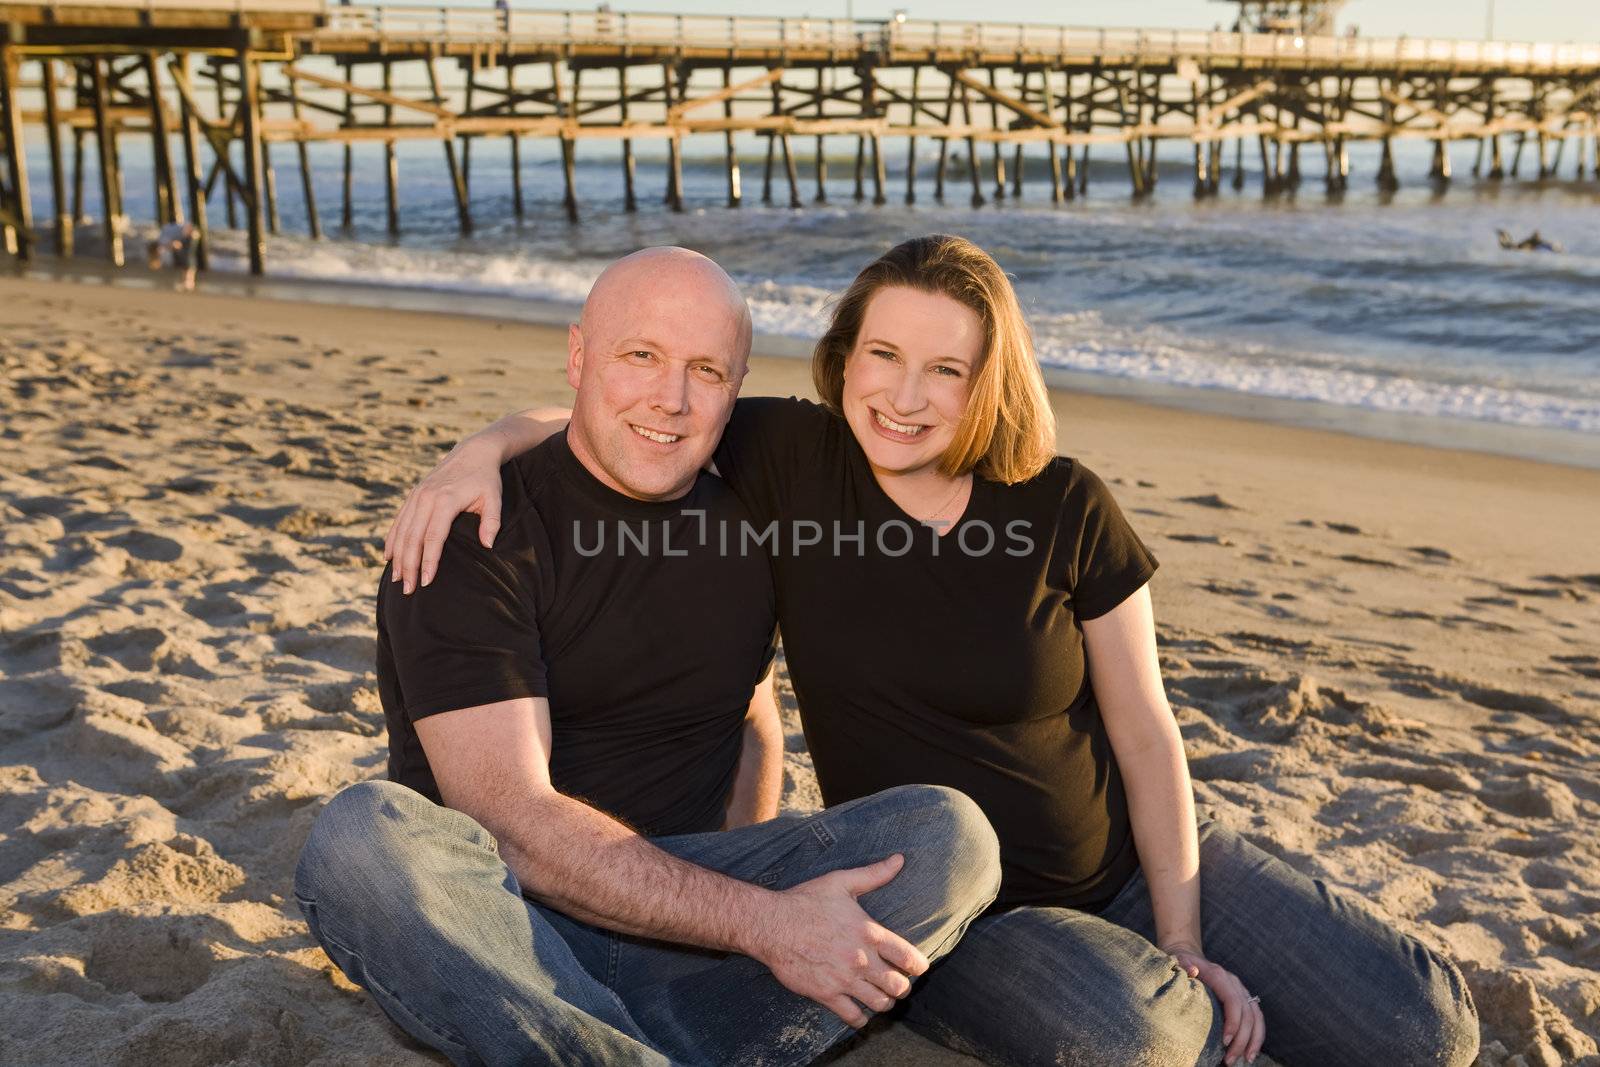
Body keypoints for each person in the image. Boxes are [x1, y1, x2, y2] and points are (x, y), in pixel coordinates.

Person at [388, 235, 1481, 1067]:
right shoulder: (794, 459)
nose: (905, 397)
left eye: (945, 370)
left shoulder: (1063, 503)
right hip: (966, 904)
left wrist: (1186, 929)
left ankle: (1185, 964)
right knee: (1144, 1042)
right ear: (843, 357)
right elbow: (633, 406)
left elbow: (1146, 732)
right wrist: (471, 451)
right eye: (883, 355)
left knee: (1427, 1029)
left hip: (1136, 863)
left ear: (986, 378)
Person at [294, 247, 1002, 1067]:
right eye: (641, 355)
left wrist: (748, 913)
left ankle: (604, 1043)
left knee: (946, 836)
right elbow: (510, 821)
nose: (671, 398)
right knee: (363, 840)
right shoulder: (475, 529)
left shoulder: (756, 502)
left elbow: (752, 718)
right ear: (577, 355)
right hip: (498, 919)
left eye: (706, 369)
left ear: (736, 390)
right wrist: (767, 925)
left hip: (687, 914)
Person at [144, 220, 198, 291]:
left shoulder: (162, 241)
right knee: (188, 257)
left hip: (190, 230)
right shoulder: (163, 237)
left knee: (187, 258)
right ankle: (189, 282)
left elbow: (175, 244)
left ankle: (188, 283)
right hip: (190, 230)